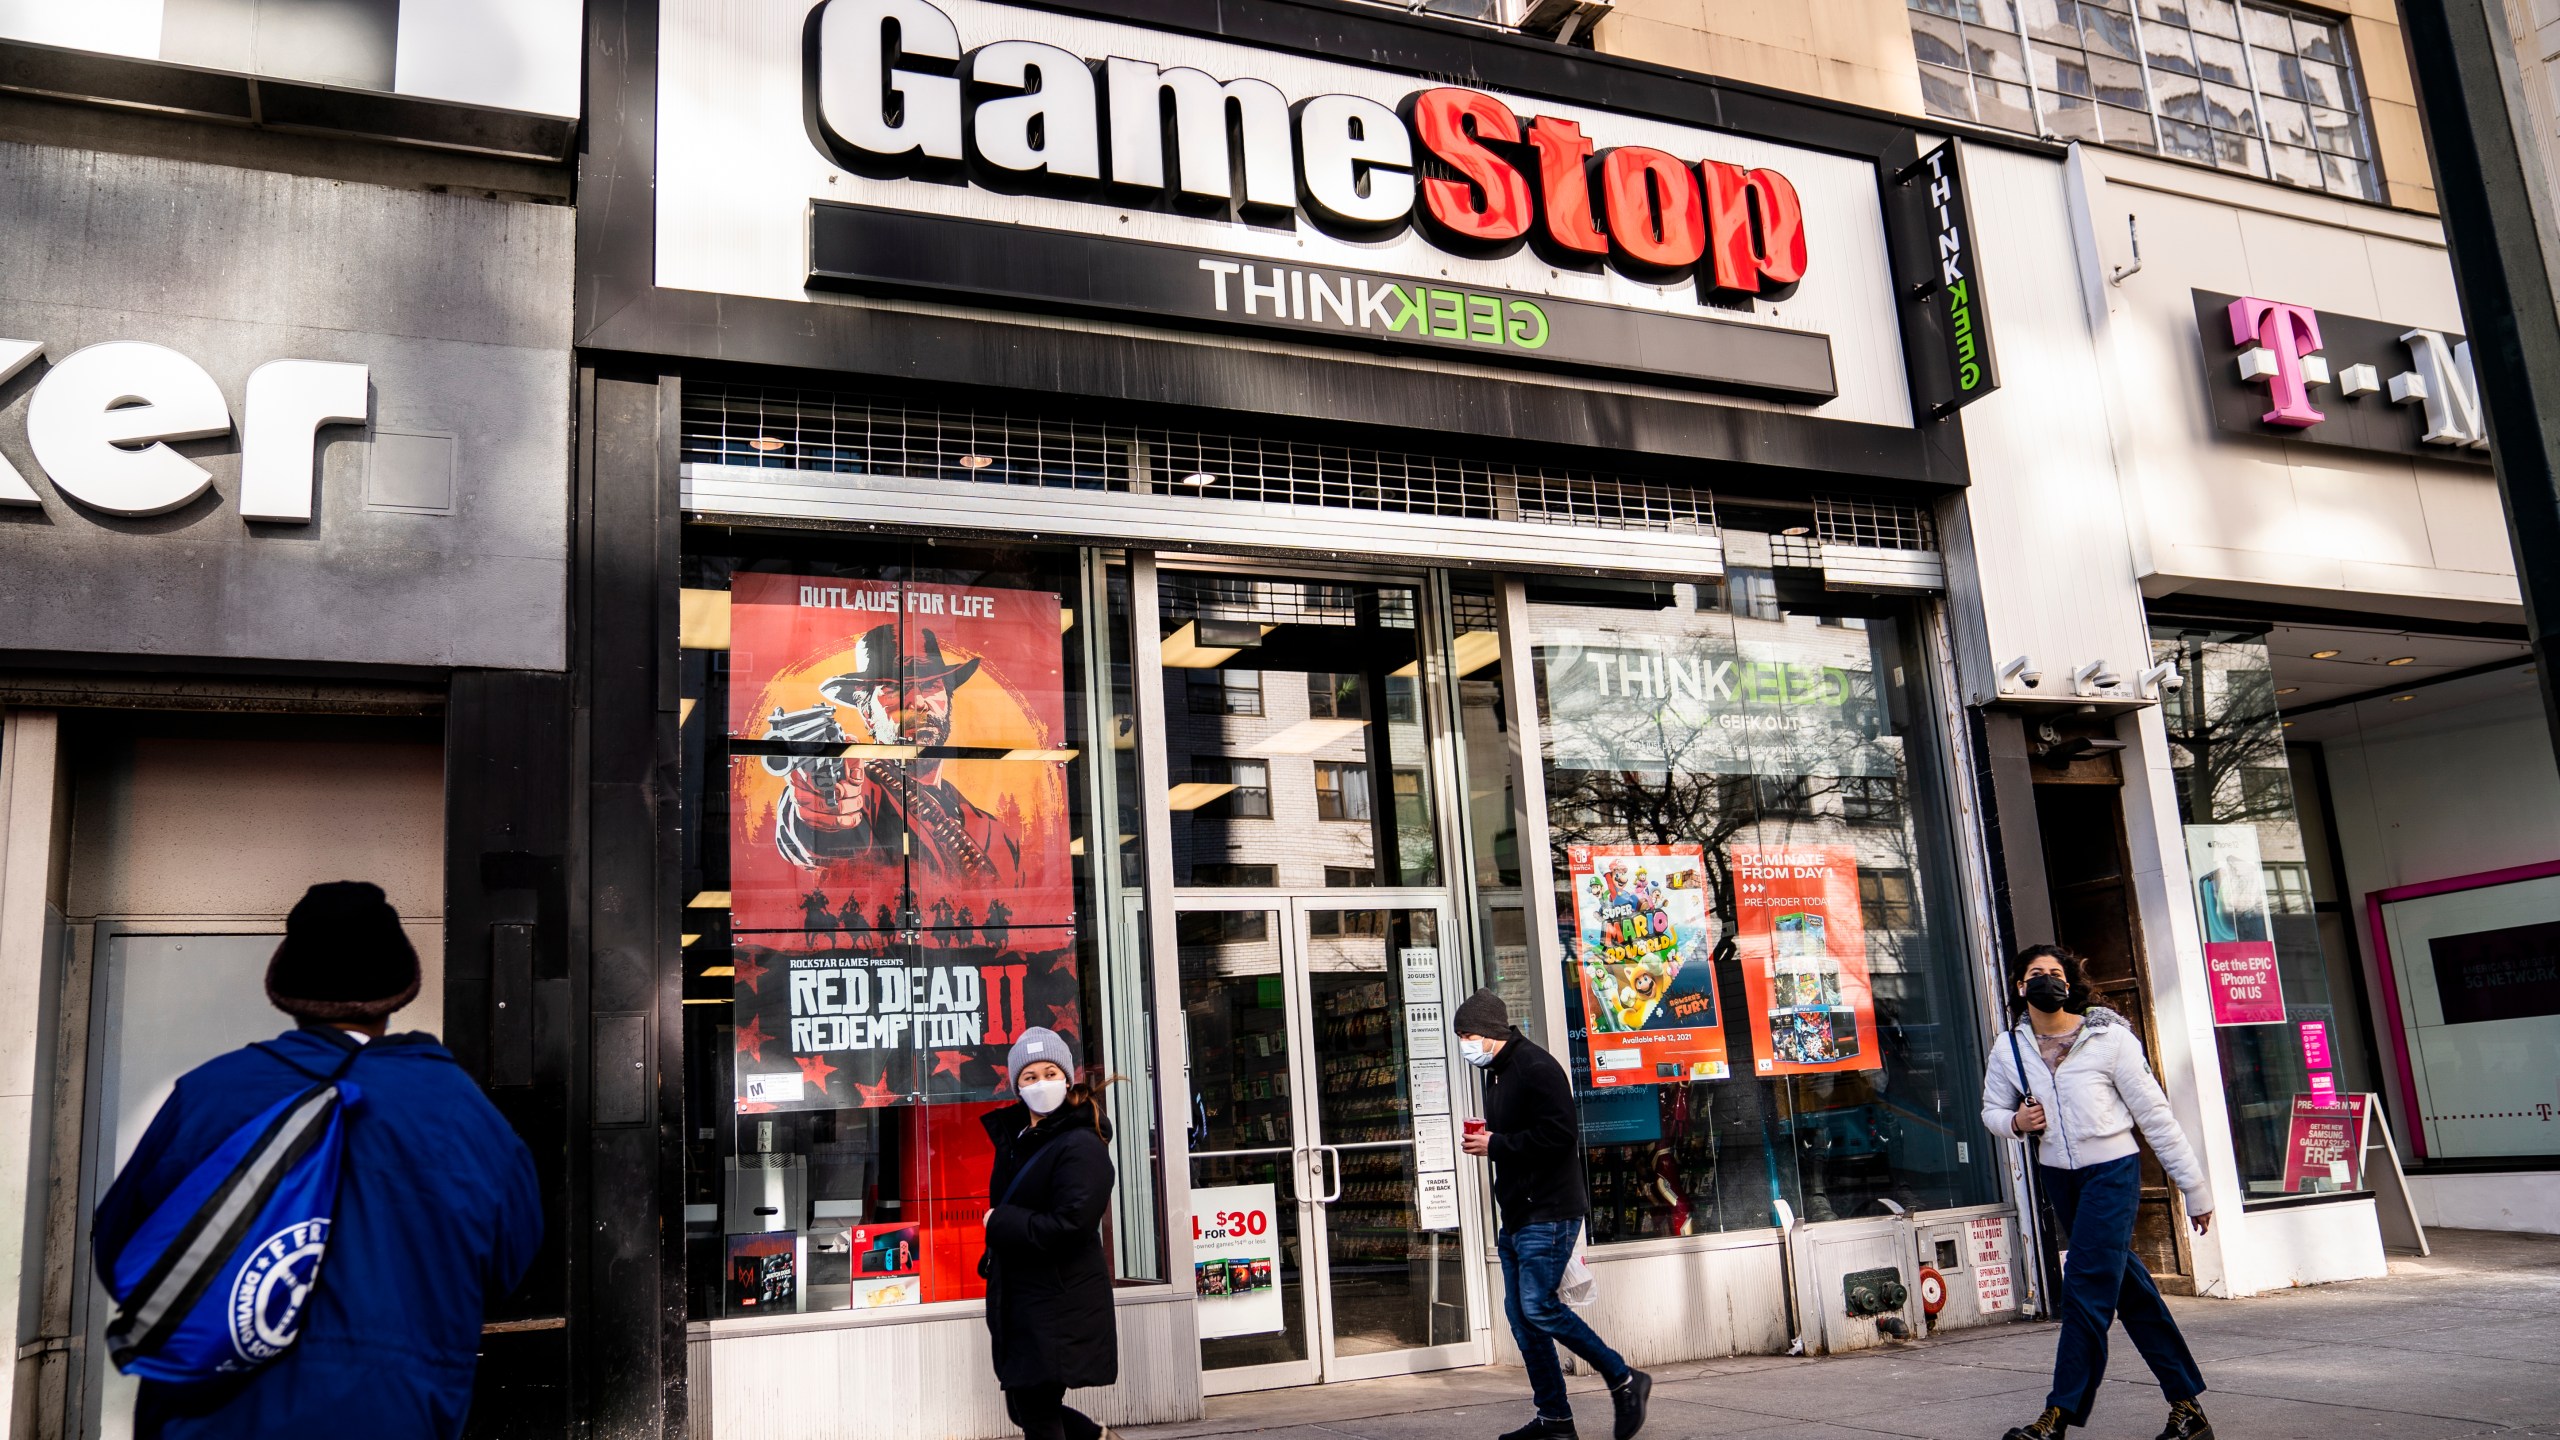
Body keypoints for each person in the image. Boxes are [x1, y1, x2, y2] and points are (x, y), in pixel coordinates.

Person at [92, 881, 542, 1440]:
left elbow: (123, 1253)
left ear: (284, 990)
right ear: (400, 991)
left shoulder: (209, 1095)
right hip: (400, 1417)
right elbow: (507, 1265)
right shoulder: (465, 1115)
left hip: (209, 1419)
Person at [1982, 945, 2215, 1440]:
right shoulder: (2009, 1047)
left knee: (2085, 1290)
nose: (2047, 980)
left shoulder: (2108, 1038)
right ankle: (2187, 1408)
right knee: (2131, 1293)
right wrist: (2015, 1122)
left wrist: (2195, 1188)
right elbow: (1991, 1111)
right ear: (2020, 987)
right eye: (2035, 974)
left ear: (2069, 983)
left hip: (2111, 1171)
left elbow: (2155, 1114)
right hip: (2060, 1177)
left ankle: (2058, 1416)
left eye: (2055, 973)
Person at [1453, 989, 1650, 1440]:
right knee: (1523, 1319)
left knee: (1539, 1307)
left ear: (1489, 1032)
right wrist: (1493, 1137)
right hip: (1518, 1214)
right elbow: (1525, 1132)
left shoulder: (1536, 1067)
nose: (1465, 1044)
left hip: (1550, 1210)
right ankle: (1556, 1420)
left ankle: (1623, 1379)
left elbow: (1560, 1135)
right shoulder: (1497, 1074)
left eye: (1467, 1035)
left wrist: (1497, 1145)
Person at [776, 625, 1025, 880]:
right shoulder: (860, 790)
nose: (916, 702)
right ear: (867, 714)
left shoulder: (1000, 835)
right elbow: (818, 832)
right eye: (894, 689)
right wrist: (818, 814)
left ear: (948, 700)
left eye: (930, 686)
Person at [980, 1027, 1117, 1440]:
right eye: (1030, 1077)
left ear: (1068, 1077)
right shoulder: (1020, 1139)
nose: (1041, 1083)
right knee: (1026, 1407)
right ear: (1017, 1085)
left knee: (1036, 1409)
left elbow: (1071, 1224)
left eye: (1050, 1072)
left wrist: (998, 1225)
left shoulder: (1081, 1144)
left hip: (1058, 1299)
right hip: (1026, 1294)